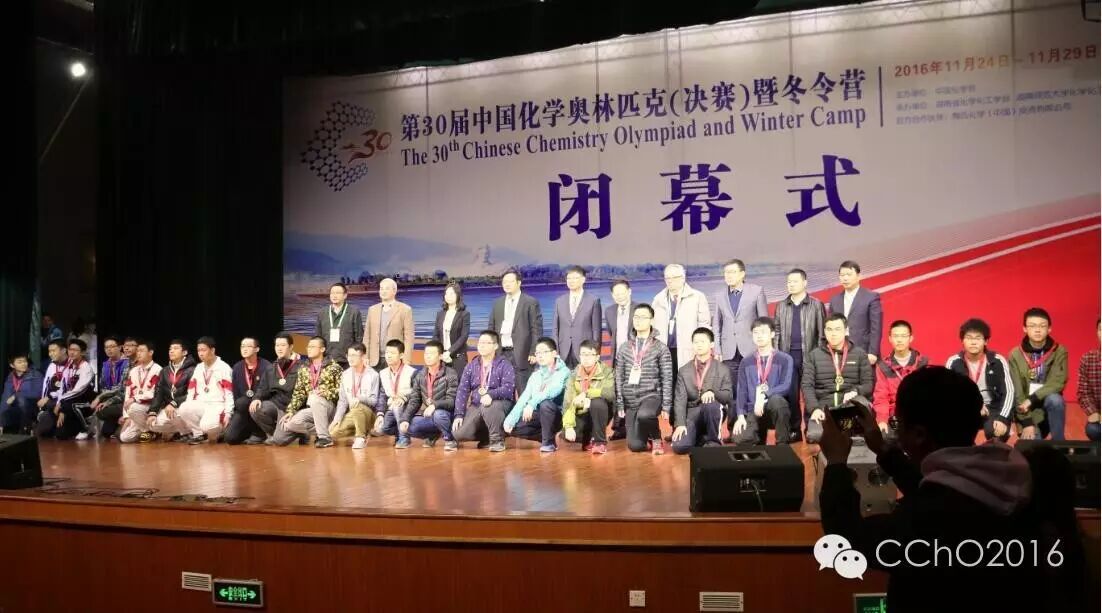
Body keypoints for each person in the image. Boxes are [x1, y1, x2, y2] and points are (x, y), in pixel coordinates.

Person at [818, 367, 1043, 613]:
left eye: (898, 423)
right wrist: (883, 450)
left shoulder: (926, 517)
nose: (897, 433)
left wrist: (836, 462)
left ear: (918, 434)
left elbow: (845, 541)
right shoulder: (1004, 485)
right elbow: (938, 489)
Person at [711, 259, 768, 438]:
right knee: (732, 393)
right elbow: (716, 325)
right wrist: (718, 349)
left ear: (742, 274)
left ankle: (754, 428)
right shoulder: (719, 295)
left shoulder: (756, 291)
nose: (728, 276)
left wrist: (764, 348)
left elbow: (764, 322)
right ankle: (733, 430)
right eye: (726, 272)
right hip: (728, 352)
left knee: (753, 389)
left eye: (732, 272)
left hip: (751, 350)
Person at [802, 314, 873, 443]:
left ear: (846, 331)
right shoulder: (813, 356)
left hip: (848, 406)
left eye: (837, 329)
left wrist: (855, 391)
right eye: (829, 329)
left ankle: (850, 433)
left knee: (861, 403)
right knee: (815, 437)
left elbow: (868, 384)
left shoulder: (860, 354)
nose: (833, 334)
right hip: (824, 409)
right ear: (824, 331)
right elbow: (807, 386)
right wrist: (814, 408)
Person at [773, 268, 826, 442]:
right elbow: (777, 332)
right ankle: (794, 429)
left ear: (805, 283)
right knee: (791, 395)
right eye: (789, 282)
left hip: (810, 356)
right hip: (788, 358)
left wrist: (819, 356)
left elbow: (821, 333)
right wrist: (777, 355)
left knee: (810, 393)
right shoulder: (781, 306)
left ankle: (812, 428)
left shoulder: (816, 305)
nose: (791, 285)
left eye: (795, 281)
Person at [615, 304, 673, 455]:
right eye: (636, 317)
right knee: (635, 446)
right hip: (631, 400)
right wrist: (620, 402)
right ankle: (645, 436)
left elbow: (667, 378)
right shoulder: (624, 347)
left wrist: (666, 406)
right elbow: (618, 376)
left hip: (652, 396)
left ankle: (656, 438)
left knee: (645, 415)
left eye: (643, 317)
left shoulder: (660, 348)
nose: (638, 320)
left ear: (651, 320)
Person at [946, 318, 1014, 442]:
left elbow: (1009, 392)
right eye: (969, 338)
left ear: (986, 341)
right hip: (965, 408)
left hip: (993, 408)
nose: (973, 342)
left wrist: (1003, 418)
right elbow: (948, 394)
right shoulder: (954, 362)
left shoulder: (997, 360)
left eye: (978, 338)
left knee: (995, 432)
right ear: (962, 340)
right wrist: (974, 404)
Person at [1008, 307, 1067, 441]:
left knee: (1056, 400)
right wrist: (1027, 422)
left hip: (1047, 404)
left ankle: (1060, 444)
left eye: (1042, 326)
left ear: (1049, 329)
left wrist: (1032, 398)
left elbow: (1058, 382)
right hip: (1026, 410)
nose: (1038, 330)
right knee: (1034, 447)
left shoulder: (1059, 351)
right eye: (1032, 326)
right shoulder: (1015, 354)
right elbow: (1017, 392)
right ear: (1024, 328)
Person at [273, 336, 343, 447]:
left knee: (315, 398)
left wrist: (327, 393)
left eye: (313, 347)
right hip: (312, 408)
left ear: (322, 349)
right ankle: (327, 432)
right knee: (290, 424)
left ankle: (325, 439)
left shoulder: (334, 367)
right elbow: (299, 392)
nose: (309, 349)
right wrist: (291, 411)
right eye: (308, 347)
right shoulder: (304, 368)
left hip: (329, 407)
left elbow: (343, 391)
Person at [732, 318, 792, 445]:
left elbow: (785, 386)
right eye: (756, 332)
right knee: (739, 438)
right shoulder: (746, 361)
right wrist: (741, 416)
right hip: (753, 410)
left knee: (777, 401)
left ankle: (782, 445)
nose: (759, 336)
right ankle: (758, 437)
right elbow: (741, 390)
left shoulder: (785, 359)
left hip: (774, 409)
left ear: (772, 334)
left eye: (763, 332)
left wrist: (764, 394)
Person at [504, 337, 571, 452]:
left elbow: (553, 390)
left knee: (546, 404)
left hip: (557, 415)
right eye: (538, 353)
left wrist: (531, 404)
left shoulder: (563, 371)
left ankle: (548, 443)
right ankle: (545, 436)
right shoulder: (535, 375)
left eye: (544, 352)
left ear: (554, 353)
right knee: (512, 427)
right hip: (538, 414)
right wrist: (510, 419)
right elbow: (524, 397)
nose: (540, 356)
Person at [454, 331, 516, 452]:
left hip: (500, 404)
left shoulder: (504, 364)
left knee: (490, 407)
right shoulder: (471, 365)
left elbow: (508, 389)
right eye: (480, 343)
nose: (481, 346)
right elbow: (462, 391)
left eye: (486, 343)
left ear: (495, 346)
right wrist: (459, 414)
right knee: (458, 434)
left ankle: (497, 440)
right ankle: (487, 437)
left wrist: (491, 395)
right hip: (477, 405)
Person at [672, 328, 731, 454]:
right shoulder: (684, 370)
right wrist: (680, 424)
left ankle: (714, 440)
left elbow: (728, 396)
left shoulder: (722, 368)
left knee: (711, 404)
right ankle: (701, 437)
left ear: (711, 344)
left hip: (713, 411)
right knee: (680, 447)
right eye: (696, 342)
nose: (698, 345)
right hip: (692, 412)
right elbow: (680, 400)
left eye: (702, 342)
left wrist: (713, 392)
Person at [487, 269, 543, 395]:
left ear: (519, 283)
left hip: (522, 353)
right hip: (501, 353)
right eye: (504, 282)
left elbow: (536, 329)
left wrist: (534, 352)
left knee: (524, 392)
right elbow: (491, 328)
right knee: (504, 393)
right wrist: (491, 350)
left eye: (510, 281)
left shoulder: (530, 302)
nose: (507, 284)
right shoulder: (497, 303)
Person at [871, 321, 929, 436]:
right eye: (896, 336)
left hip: (918, 414)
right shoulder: (883, 366)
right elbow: (881, 397)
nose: (899, 340)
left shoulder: (923, 363)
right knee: (885, 436)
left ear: (911, 338)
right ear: (890, 339)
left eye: (903, 336)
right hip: (894, 416)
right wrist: (882, 420)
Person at [651, 263, 710, 370]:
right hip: (664, 350)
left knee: (687, 378)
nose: (670, 281)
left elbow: (704, 325)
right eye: (667, 278)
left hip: (689, 349)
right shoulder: (658, 299)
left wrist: (701, 348)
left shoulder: (697, 297)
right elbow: (652, 327)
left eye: (674, 277)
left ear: (683, 278)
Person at [400, 340, 458, 450]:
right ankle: (433, 435)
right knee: (408, 426)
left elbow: (452, 402)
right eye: (426, 353)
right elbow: (414, 400)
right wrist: (405, 419)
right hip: (430, 415)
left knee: (439, 415)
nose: (428, 356)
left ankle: (450, 439)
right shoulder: (420, 375)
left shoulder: (451, 374)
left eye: (431, 353)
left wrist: (435, 405)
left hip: (448, 415)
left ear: (440, 356)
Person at [35, 339, 96, 440]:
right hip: (66, 402)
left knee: (61, 433)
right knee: (44, 431)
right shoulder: (70, 366)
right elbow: (63, 387)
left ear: (82, 352)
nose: (71, 352)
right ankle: (49, 419)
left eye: (75, 350)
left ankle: (86, 426)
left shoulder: (86, 368)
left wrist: (62, 405)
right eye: (70, 349)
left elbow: (77, 391)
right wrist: (57, 401)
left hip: (81, 402)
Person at [178, 337, 235, 445]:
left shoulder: (223, 367)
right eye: (199, 350)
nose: (200, 353)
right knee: (184, 408)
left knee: (206, 426)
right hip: (202, 404)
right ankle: (198, 435)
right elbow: (191, 390)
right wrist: (189, 405)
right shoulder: (199, 367)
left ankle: (222, 431)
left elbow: (229, 393)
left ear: (212, 350)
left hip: (218, 405)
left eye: (203, 350)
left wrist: (228, 413)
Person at [604, 278, 641, 441]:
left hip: (636, 358)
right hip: (617, 358)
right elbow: (612, 333)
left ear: (629, 292)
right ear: (612, 295)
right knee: (617, 393)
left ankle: (636, 428)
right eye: (616, 294)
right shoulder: (609, 311)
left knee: (634, 393)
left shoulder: (639, 309)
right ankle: (619, 429)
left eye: (622, 292)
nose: (619, 296)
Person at [562, 339, 615, 453]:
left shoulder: (606, 371)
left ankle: (600, 442)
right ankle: (588, 439)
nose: (585, 358)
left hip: (601, 411)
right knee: (566, 432)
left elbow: (610, 393)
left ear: (597, 357)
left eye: (589, 355)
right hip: (582, 411)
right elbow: (568, 401)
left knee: (597, 402)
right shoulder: (573, 375)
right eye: (583, 354)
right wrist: (569, 427)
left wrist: (586, 394)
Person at [252, 333, 305, 443]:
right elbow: (262, 388)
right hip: (276, 406)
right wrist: (257, 398)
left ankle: (299, 432)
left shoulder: (302, 366)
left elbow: (304, 393)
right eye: (277, 345)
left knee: (280, 440)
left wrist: (293, 410)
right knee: (256, 408)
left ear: (291, 347)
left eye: (283, 345)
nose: (279, 348)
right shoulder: (271, 368)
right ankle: (276, 434)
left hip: (294, 408)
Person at [827, 261, 882, 364]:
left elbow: (876, 328)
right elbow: (830, 327)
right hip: (839, 352)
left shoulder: (871, 297)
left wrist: (873, 352)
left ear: (858, 276)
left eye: (849, 274)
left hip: (863, 352)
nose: (845, 278)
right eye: (842, 275)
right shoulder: (835, 300)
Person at [329, 343, 381, 449]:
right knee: (333, 432)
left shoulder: (373, 375)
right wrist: (337, 419)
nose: (350, 358)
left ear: (363, 357)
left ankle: (360, 437)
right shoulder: (345, 375)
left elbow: (374, 401)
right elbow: (343, 401)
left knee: (357, 406)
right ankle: (362, 431)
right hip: (353, 413)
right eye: (349, 355)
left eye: (354, 355)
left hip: (369, 414)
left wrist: (359, 398)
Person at [223, 337, 272, 445]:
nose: (244, 349)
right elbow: (235, 393)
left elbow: (268, 390)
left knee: (244, 403)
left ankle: (259, 433)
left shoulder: (266, 366)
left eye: (248, 346)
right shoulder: (237, 367)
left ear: (257, 349)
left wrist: (257, 399)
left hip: (260, 404)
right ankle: (249, 431)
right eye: (242, 346)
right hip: (242, 408)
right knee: (230, 438)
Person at [552, 266, 602, 368]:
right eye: (569, 278)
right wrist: (556, 350)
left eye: (575, 278)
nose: (571, 281)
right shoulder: (559, 301)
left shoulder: (593, 301)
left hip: (585, 352)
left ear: (583, 280)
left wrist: (594, 353)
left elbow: (596, 330)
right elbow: (555, 328)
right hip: (563, 352)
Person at [373, 339, 418, 448]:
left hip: (407, 406)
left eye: (392, 353)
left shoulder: (411, 372)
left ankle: (404, 438)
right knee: (380, 429)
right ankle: (399, 432)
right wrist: (380, 414)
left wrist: (404, 398)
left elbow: (417, 393)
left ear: (401, 355)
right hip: (391, 407)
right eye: (387, 353)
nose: (388, 356)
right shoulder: (383, 373)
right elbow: (382, 396)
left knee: (398, 407)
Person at [149, 340, 196, 442]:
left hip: (186, 406)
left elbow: (193, 394)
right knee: (153, 425)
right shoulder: (164, 371)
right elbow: (158, 393)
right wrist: (153, 412)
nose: (171, 351)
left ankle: (188, 432)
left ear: (184, 352)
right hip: (171, 408)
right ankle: (178, 431)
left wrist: (174, 403)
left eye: (175, 348)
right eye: (170, 349)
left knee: (178, 412)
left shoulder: (193, 370)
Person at [117, 340, 163, 443]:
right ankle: (149, 431)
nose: (138, 353)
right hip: (136, 411)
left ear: (150, 353)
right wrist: (126, 416)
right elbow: (128, 394)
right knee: (125, 438)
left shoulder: (158, 369)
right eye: (137, 351)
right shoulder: (133, 371)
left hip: (151, 407)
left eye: (142, 351)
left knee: (133, 407)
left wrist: (135, 398)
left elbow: (155, 393)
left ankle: (149, 431)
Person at [365, 278, 415, 371]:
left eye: (387, 288)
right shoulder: (372, 310)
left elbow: (409, 338)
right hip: (374, 359)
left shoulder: (405, 309)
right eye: (381, 288)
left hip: (395, 359)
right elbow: (367, 336)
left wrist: (406, 360)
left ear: (394, 291)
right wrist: (365, 356)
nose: (383, 291)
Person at [315, 282, 364, 369]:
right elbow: (318, 337)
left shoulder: (354, 312)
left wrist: (357, 357)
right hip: (326, 360)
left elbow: (359, 337)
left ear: (345, 295)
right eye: (332, 293)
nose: (334, 295)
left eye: (338, 293)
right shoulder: (322, 312)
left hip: (347, 360)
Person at [90, 335, 130, 439]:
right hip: (111, 398)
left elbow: (122, 388)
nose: (109, 349)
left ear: (120, 347)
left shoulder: (127, 363)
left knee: (102, 410)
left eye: (112, 346)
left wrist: (102, 398)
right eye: (106, 347)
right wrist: (102, 398)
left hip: (123, 398)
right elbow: (103, 386)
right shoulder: (106, 365)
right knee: (106, 432)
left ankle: (122, 420)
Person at [433, 281, 471, 379]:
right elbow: (436, 335)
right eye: (446, 294)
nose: (448, 296)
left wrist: (449, 352)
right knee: (441, 384)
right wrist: (439, 352)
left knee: (457, 384)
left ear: (458, 295)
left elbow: (464, 337)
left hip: (458, 356)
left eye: (451, 293)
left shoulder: (464, 314)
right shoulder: (440, 314)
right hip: (442, 356)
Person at [1, 353, 43, 434]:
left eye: (25, 361)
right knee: (5, 412)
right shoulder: (10, 377)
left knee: (21, 399)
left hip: (33, 407)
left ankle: (25, 429)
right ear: (12, 365)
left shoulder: (36, 374)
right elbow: (5, 398)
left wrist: (16, 396)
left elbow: (37, 393)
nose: (23, 364)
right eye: (19, 362)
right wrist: (1, 422)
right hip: (17, 408)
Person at [1077, 319, 1100, 441]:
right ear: (1097, 332)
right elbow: (1083, 392)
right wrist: (1093, 412)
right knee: (1093, 429)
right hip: (1100, 415)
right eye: (1101, 329)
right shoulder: (1088, 358)